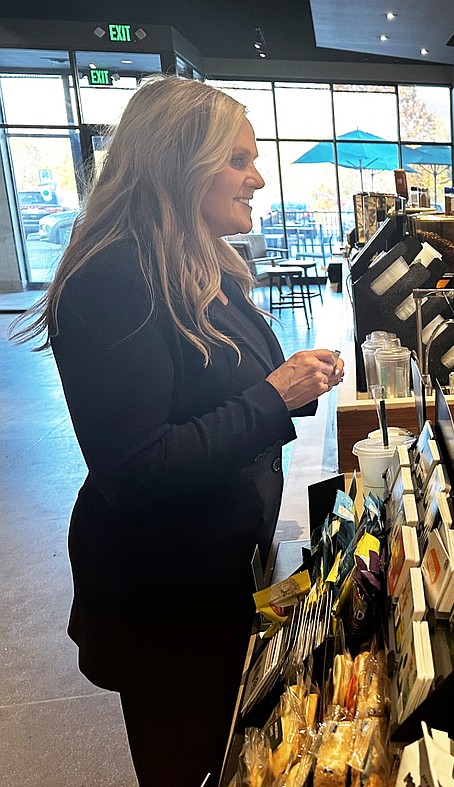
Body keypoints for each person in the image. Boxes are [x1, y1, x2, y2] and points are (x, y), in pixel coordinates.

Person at [11, 77, 344, 786]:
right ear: (176, 161)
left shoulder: (206, 263)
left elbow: (224, 392)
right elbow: (136, 466)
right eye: (238, 160)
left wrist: (293, 384)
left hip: (222, 568)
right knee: (189, 765)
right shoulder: (112, 278)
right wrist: (274, 393)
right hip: (165, 598)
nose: (257, 177)